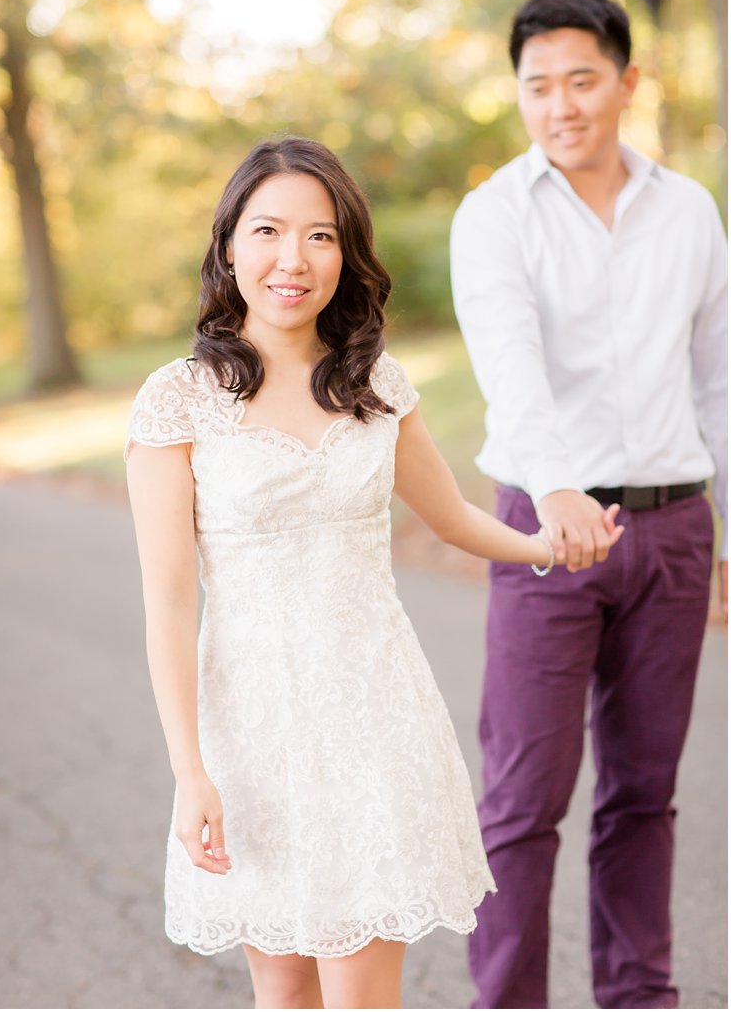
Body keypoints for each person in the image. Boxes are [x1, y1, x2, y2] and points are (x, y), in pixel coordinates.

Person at [125, 136, 623, 1009]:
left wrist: (552, 543)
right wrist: (190, 770)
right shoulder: (178, 399)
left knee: (363, 994)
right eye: (269, 231)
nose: (293, 259)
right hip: (253, 730)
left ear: (346, 252)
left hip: (374, 719)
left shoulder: (375, 382)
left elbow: (455, 517)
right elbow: (166, 604)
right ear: (230, 245)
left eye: (320, 236)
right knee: (281, 991)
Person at [451, 0, 727, 1009]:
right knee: (522, 798)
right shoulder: (492, 218)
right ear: (516, 95)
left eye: (580, 80)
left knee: (642, 795)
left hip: (670, 527)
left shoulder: (688, 211)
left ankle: (636, 996)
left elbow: (716, 381)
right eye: (537, 86)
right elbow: (508, 369)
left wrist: (724, 531)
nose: (560, 104)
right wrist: (557, 490)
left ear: (624, 81)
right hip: (540, 531)